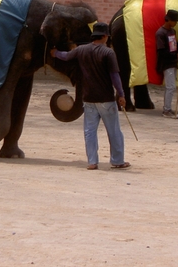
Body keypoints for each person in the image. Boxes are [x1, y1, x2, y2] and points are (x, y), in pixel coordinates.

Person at [50, 22, 131, 170]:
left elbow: (66, 56)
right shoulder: (108, 53)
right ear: (105, 36)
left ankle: (92, 161)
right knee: (114, 131)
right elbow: (115, 76)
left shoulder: (81, 50)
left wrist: (55, 53)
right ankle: (117, 160)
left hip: (88, 98)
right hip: (106, 98)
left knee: (90, 131)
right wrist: (121, 94)